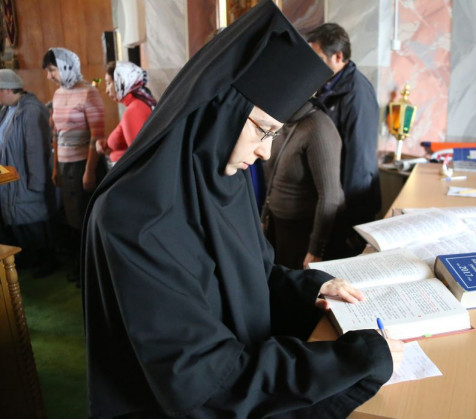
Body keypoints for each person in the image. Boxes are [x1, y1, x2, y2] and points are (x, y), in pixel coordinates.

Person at [82, 2, 403, 417]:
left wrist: (310, 288)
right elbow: (200, 379)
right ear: (221, 110)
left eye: (275, 135)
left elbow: (252, 277)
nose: (265, 152)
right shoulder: (133, 218)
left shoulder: (223, 180)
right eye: (263, 130)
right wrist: (352, 359)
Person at [306, 23, 381, 258]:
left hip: (349, 207)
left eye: (318, 57)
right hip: (331, 199)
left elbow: (359, 159)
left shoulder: (356, 94)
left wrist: (350, 220)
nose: (312, 63)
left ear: (338, 56)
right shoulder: (329, 84)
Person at [42, 47, 105, 282]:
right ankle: (80, 265)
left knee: (84, 217)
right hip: (65, 164)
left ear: (66, 67)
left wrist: (89, 171)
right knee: (72, 219)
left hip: (83, 164)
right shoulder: (58, 94)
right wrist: (56, 167)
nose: (49, 76)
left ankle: (90, 270)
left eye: (52, 70)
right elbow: (56, 133)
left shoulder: (89, 93)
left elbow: (96, 135)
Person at [261, 99, 345, 269]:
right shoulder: (283, 121)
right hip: (279, 227)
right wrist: (264, 216)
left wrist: (316, 250)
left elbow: (330, 196)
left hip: (304, 233)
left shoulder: (319, 128)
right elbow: (273, 175)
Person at [0, 70, 56, 277]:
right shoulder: (7, 108)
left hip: (27, 177)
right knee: (18, 222)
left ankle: (46, 261)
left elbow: (36, 149)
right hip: (11, 177)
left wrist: (37, 182)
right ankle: (30, 257)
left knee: (34, 222)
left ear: (7, 90)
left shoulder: (31, 110)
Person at [96, 61, 156, 166]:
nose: (107, 90)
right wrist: (107, 143)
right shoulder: (138, 104)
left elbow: (138, 157)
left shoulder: (134, 110)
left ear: (122, 81)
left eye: (109, 83)